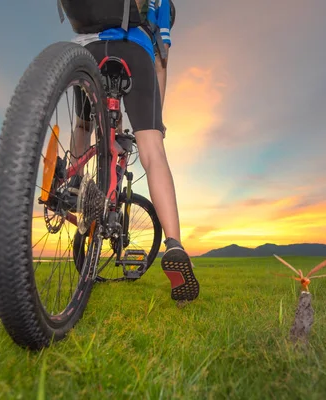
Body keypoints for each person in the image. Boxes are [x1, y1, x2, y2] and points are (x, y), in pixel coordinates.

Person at [70, 0, 199, 302]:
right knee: (153, 151)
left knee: (83, 127)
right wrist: (157, 121)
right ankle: (175, 244)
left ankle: (74, 185)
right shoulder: (162, 4)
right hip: (135, 51)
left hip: (87, 52)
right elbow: (161, 61)